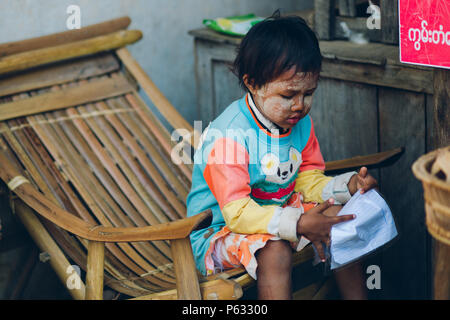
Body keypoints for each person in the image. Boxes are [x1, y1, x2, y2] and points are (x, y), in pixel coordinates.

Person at [186, 12, 378, 300]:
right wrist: (297, 224)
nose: (299, 106)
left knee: (342, 220)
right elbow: (237, 213)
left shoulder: (297, 123)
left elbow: (306, 178)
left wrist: (345, 186)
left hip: (278, 209)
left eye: (308, 93)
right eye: (288, 96)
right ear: (252, 83)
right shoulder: (228, 136)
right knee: (275, 249)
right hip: (221, 230)